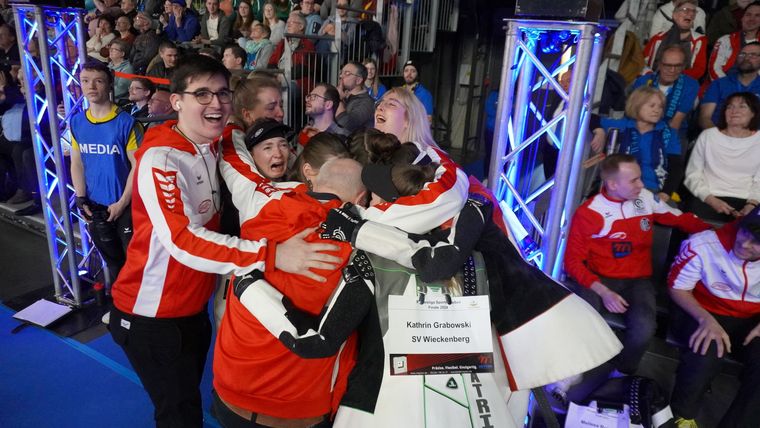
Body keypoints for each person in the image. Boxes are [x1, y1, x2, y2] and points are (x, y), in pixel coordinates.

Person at [109, 54, 341, 428]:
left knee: (188, 406)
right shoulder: (161, 159)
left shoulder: (220, 142)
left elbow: (244, 154)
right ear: (177, 101)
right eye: (201, 94)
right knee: (180, 414)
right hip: (150, 315)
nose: (214, 103)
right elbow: (183, 240)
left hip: (191, 308)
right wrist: (273, 254)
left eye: (221, 93)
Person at [564, 154, 710, 377]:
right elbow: (572, 262)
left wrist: (722, 235)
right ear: (612, 184)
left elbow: (681, 219)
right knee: (583, 319)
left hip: (637, 280)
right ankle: (572, 372)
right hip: (599, 279)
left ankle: (622, 374)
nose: (641, 184)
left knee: (644, 329)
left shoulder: (645, 198)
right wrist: (604, 292)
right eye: (634, 180)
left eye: (640, 178)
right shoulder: (589, 213)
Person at [668, 207, 760, 427]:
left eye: (757, 241)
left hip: (752, 320)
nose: (745, 243)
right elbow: (677, 287)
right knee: (707, 348)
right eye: (746, 231)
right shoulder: (703, 244)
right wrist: (706, 319)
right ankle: (682, 416)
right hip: (701, 310)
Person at [69, 61, 143, 286]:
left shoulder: (127, 123)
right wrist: (81, 198)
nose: (91, 86)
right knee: (113, 263)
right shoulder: (77, 121)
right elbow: (77, 163)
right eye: (85, 81)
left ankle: (138, 313)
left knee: (134, 264)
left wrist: (122, 203)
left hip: (126, 206)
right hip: (96, 207)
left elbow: (138, 166)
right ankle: (121, 308)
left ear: (109, 84)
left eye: (98, 81)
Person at [594, 87, 683, 199]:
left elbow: (676, 167)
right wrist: (599, 130)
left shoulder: (668, 133)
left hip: (654, 191)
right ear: (637, 106)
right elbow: (590, 118)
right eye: (652, 106)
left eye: (660, 107)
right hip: (621, 189)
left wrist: (665, 193)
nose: (657, 110)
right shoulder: (623, 125)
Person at [685, 92, 760, 224]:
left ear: (753, 113)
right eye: (729, 107)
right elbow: (693, 175)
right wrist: (711, 200)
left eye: (742, 107)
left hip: (748, 199)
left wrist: (751, 205)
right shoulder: (708, 136)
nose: (734, 111)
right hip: (708, 196)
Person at [631, 45, 699, 138]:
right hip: (640, 130)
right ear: (659, 64)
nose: (672, 70)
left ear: (683, 66)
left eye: (678, 66)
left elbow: (676, 122)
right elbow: (634, 115)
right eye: (667, 65)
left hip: (673, 133)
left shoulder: (690, 84)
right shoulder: (642, 81)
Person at [699, 41, 760, 129]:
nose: (746, 58)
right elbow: (704, 118)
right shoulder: (719, 84)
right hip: (719, 136)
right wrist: (722, 137)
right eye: (742, 54)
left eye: (753, 55)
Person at [643, 0, 708, 81]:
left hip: (682, 84)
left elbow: (699, 69)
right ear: (674, 15)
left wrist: (675, 77)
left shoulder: (700, 41)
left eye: (693, 11)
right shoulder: (657, 38)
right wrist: (650, 75)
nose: (690, 14)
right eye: (685, 10)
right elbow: (642, 61)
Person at [708, 1, 760, 81]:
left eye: (757, 15)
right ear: (742, 18)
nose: (751, 19)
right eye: (748, 14)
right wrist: (727, 87)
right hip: (723, 86)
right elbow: (714, 68)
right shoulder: (725, 40)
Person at [297, 82, 348, 146]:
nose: (307, 100)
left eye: (314, 97)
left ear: (328, 105)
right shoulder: (305, 130)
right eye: (308, 96)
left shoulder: (341, 136)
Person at [335, 61, 374, 133]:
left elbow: (346, 125)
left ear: (358, 80)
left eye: (347, 73)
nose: (341, 76)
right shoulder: (344, 96)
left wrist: (338, 99)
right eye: (341, 73)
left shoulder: (367, 102)